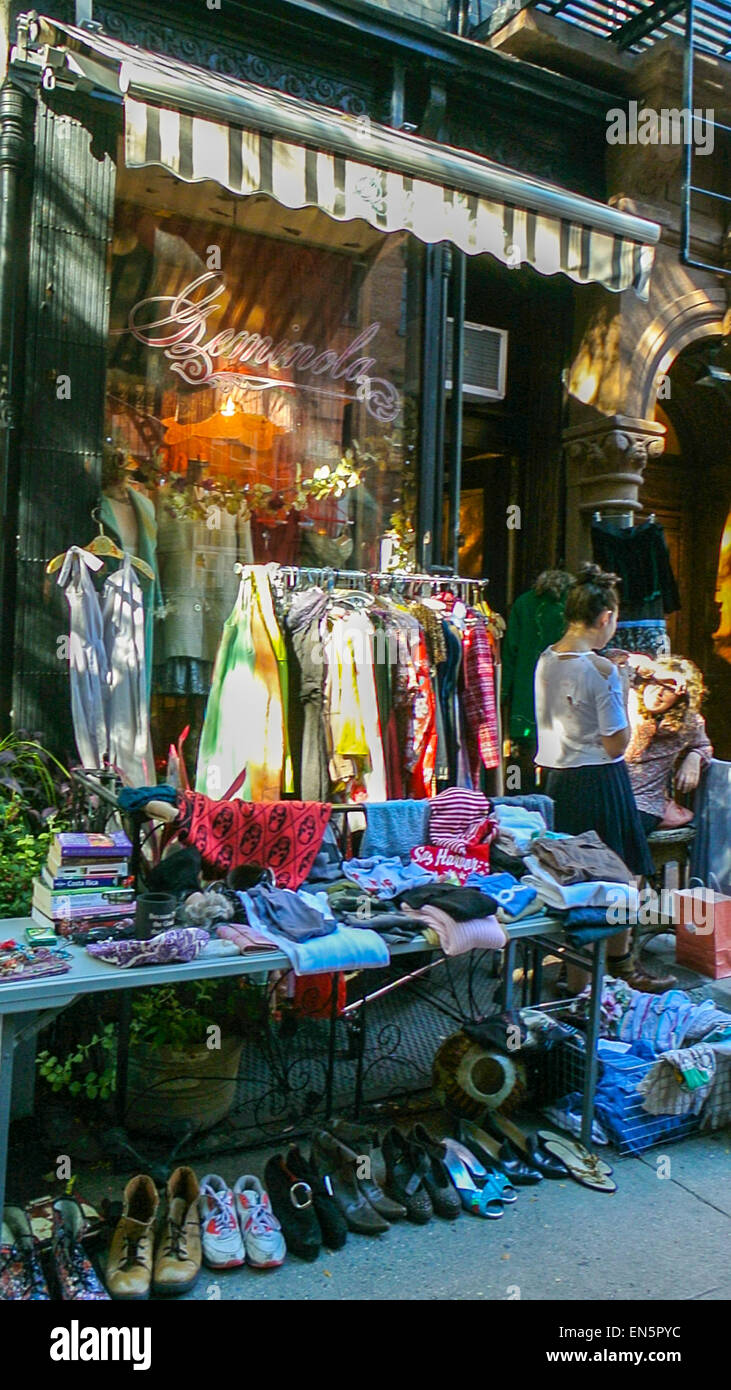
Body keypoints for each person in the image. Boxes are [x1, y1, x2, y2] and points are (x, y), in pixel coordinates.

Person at [534, 563, 676, 992]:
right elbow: (618, 745)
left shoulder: (547, 657)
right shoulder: (602, 671)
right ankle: (600, 978)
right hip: (598, 779)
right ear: (605, 618)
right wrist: (624, 684)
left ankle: (586, 973)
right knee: (615, 879)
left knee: (577, 880)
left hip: (559, 781)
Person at [625, 656, 713, 834]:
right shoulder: (627, 699)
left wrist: (695, 757)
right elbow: (615, 657)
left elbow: (703, 745)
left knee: (621, 834)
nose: (658, 692)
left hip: (644, 803)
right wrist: (655, 671)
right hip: (606, 793)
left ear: (682, 696)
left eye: (669, 689)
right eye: (655, 683)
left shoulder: (689, 723)